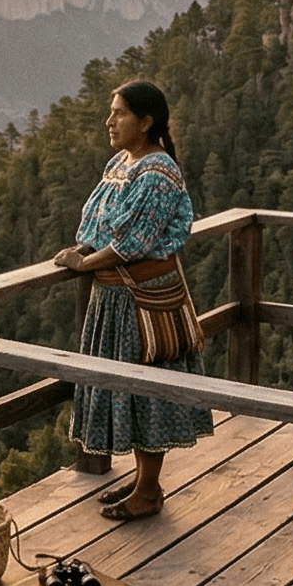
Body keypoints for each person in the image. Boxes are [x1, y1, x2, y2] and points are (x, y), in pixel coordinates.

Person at [49, 80, 213, 520]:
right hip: (118, 296)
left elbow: (134, 242)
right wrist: (85, 252)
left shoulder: (157, 173)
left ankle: (149, 489)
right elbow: (102, 229)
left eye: (119, 113)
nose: (109, 120)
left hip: (143, 300)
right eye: (110, 111)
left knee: (146, 393)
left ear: (146, 122)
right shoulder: (123, 162)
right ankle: (142, 484)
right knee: (129, 391)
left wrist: (84, 265)